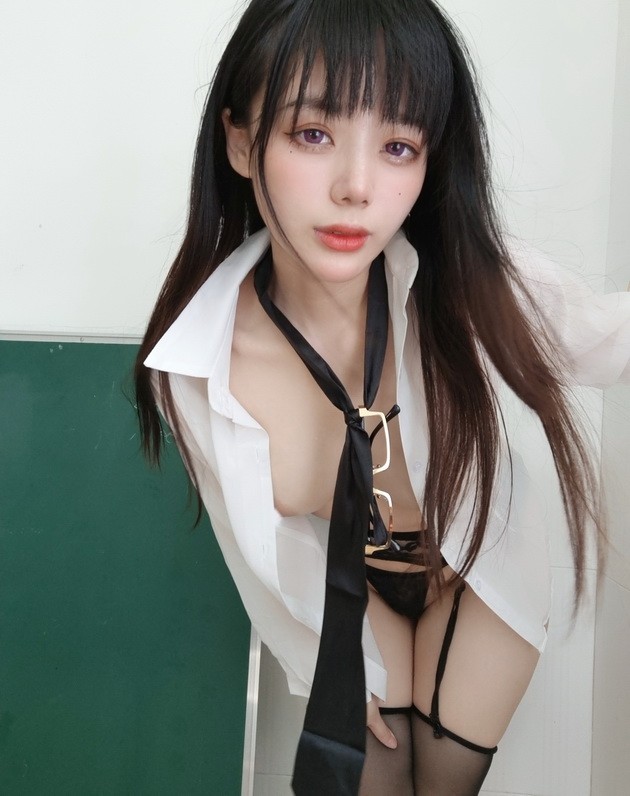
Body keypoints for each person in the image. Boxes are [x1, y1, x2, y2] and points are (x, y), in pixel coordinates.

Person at [134, 0, 630, 793]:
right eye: (313, 134)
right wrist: (318, 662)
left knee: (443, 783)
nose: (357, 187)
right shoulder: (194, 370)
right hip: (353, 591)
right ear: (240, 140)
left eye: (398, 146)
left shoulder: (461, 281)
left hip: (473, 568)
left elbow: (608, 338)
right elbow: (254, 558)